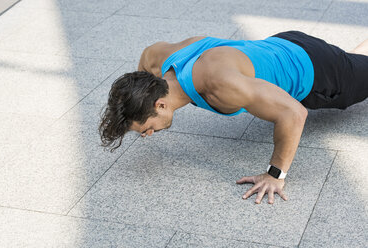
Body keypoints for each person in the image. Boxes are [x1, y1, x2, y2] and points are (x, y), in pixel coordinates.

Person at [99, 31, 368, 204]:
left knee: (357, 71)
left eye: (146, 128)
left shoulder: (218, 85)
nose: (147, 134)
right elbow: (142, 70)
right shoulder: (156, 58)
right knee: (354, 63)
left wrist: (275, 175)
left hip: (316, 71)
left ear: (160, 104)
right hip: (282, 43)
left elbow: (294, 112)